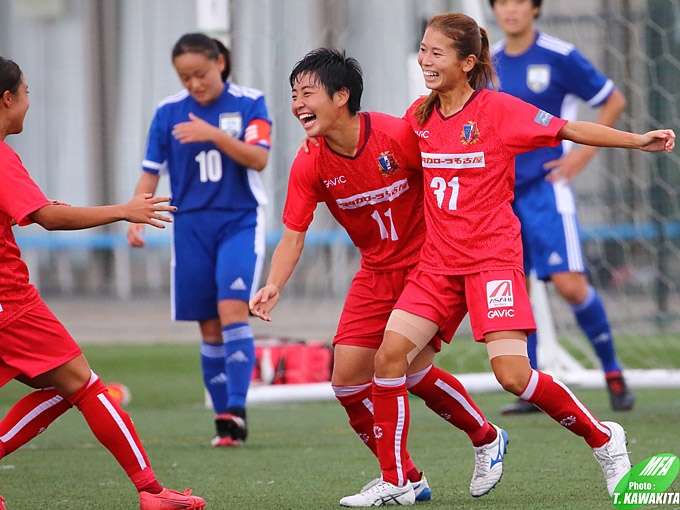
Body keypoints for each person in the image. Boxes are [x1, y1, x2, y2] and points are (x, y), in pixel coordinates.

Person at [339, 12, 675, 506]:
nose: (425, 60)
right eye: (424, 50)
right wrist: (330, 140)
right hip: (437, 265)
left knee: (513, 377)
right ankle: (398, 480)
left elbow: (570, 129)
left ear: (467, 62)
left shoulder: (498, 111)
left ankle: (605, 440)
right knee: (390, 358)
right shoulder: (420, 116)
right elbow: (387, 154)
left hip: (492, 261)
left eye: (436, 53)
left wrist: (637, 140)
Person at [249, 48, 509, 505]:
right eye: (294, 95)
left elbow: (452, 176)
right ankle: (410, 476)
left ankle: (481, 440)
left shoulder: (395, 134)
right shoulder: (310, 161)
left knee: (403, 370)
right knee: (347, 384)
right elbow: (293, 234)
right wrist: (273, 284)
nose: (297, 104)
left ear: (342, 95)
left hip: (430, 266)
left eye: (307, 93)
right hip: (375, 271)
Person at [0, 57, 205, 509]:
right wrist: (124, 210)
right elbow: (48, 219)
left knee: (63, 385)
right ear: (7, 99)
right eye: (27, 91)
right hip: (9, 304)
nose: (30, 103)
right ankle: (152, 492)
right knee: (85, 385)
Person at [490, 0, 635, 415]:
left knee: (569, 284)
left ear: (535, 8)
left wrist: (578, 156)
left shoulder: (559, 55)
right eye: (502, 3)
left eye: (519, 2)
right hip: (501, 193)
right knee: (513, 288)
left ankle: (612, 371)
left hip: (546, 191)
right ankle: (529, 385)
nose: (510, 10)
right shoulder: (489, 62)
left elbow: (613, 100)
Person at [128, 33, 272, 447]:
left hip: (238, 221)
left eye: (201, 74)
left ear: (220, 63)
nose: (194, 84)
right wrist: (136, 213)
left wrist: (215, 135)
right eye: (184, 76)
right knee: (209, 327)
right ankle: (222, 418)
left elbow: (259, 158)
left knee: (232, 310)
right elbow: (150, 169)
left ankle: (239, 411)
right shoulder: (168, 112)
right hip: (190, 226)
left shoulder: (249, 102)